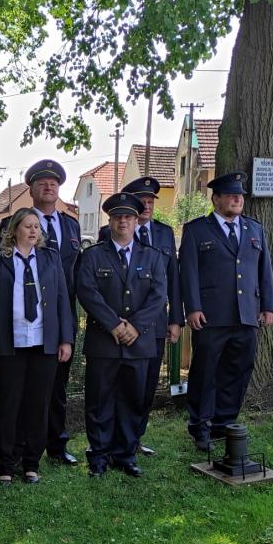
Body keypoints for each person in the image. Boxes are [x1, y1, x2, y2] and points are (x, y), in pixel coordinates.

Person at [75, 192, 181, 478]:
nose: (123, 221)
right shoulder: (93, 255)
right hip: (104, 341)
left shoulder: (153, 256)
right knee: (99, 401)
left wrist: (135, 327)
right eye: (117, 217)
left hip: (139, 341)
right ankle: (99, 455)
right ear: (109, 221)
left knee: (133, 400)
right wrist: (114, 324)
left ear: (136, 221)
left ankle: (125, 454)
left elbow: (159, 295)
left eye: (128, 217)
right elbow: (87, 291)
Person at [179, 171, 273, 450]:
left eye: (240, 196)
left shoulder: (254, 229)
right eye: (231, 195)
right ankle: (200, 427)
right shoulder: (197, 230)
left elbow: (264, 271)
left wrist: (268, 306)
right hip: (210, 316)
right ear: (216, 199)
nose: (237, 199)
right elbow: (189, 272)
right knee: (205, 373)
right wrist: (192, 308)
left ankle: (224, 423)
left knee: (238, 371)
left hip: (247, 315)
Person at [0, 207, 74, 485]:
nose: (33, 231)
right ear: (14, 230)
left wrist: (65, 339)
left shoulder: (50, 258)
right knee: (8, 404)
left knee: (38, 404)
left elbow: (62, 300)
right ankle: (6, 464)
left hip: (44, 344)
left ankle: (31, 462)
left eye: (36, 226)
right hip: (10, 344)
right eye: (27, 226)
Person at [0, 159, 82, 466]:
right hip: (24, 320)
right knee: (24, 389)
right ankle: (20, 447)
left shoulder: (71, 224)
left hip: (59, 317)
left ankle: (57, 444)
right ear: (31, 190)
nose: (49, 187)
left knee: (56, 386)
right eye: (42, 183)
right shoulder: (13, 224)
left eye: (54, 183)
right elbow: (2, 274)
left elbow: (75, 273)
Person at [98, 176, 176, 456]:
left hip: (153, 324)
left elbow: (172, 280)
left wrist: (175, 319)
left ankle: (134, 438)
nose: (148, 205)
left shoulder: (164, 233)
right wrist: (118, 324)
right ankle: (111, 441)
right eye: (142, 201)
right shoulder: (107, 234)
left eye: (151, 201)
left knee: (145, 385)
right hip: (117, 327)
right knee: (115, 387)